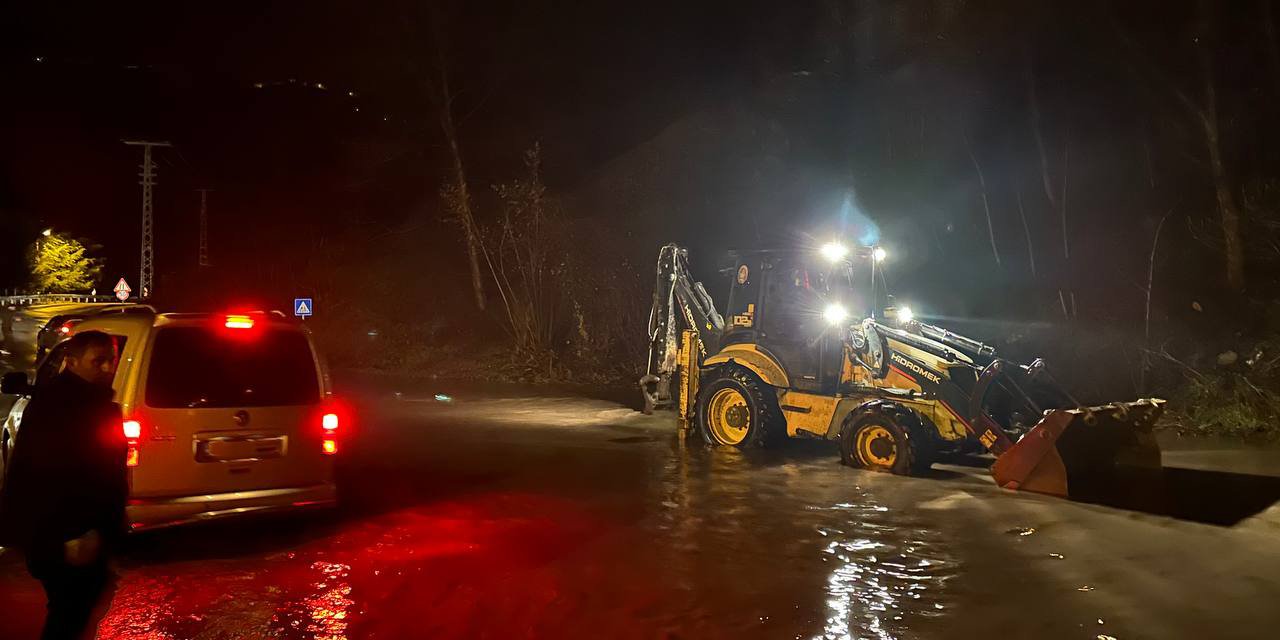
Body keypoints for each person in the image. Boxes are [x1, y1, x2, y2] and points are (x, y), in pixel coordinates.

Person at [0, 330, 128, 639]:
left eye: (111, 361)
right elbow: (47, 475)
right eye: (98, 361)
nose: (108, 369)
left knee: (80, 607)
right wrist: (71, 534)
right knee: (70, 612)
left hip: (84, 531)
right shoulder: (60, 408)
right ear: (71, 362)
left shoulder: (90, 403)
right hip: (67, 534)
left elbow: (105, 471)